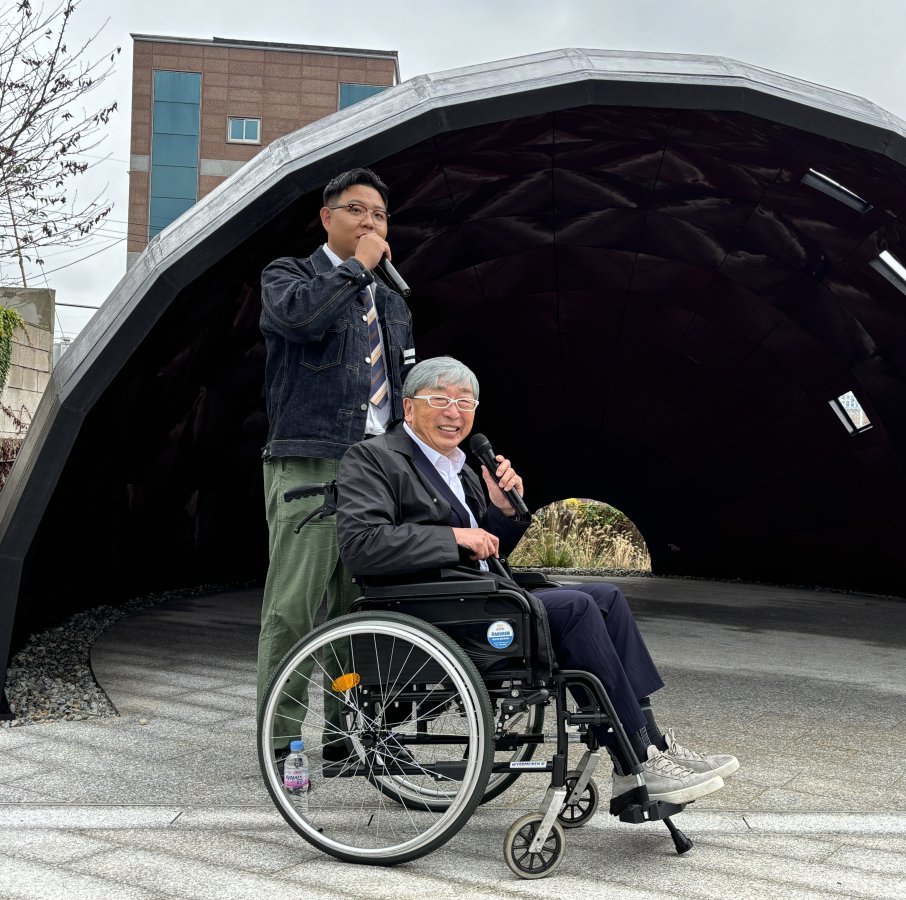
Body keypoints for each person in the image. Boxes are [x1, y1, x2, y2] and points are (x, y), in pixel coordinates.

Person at [335, 356, 739, 807]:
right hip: (433, 607)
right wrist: (453, 535)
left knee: (606, 596)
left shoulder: (464, 467)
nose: (454, 412)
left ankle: (651, 746)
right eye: (441, 400)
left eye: (465, 402)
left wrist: (503, 511)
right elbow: (363, 544)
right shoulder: (372, 458)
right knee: (577, 608)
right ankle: (637, 759)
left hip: (480, 596)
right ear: (409, 408)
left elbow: (490, 549)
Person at [257, 167, 415, 759]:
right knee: (296, 608)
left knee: (361, 608)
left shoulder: (392, 298)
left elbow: (399, 386)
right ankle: (283, 740)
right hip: (311, 464)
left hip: (375, 469)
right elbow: (299, 320)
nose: (370, 222)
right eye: (357, 210)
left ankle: (349, 737)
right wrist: (356, 270)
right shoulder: (290, 276)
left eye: (379, 214)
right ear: (327, 218)